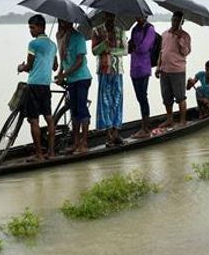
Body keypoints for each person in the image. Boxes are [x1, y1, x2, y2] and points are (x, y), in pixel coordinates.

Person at [17, 14, 58, 160]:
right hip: (46, 84)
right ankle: (51, 153)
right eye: (29, 27)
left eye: (32, 27)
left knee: (33, 120)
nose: (30, 30)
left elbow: (29, 66)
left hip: (34, 84)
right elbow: (55, 67)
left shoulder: (33, 44)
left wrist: (21, 67)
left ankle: (39, 154)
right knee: (49, 117)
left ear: (40, 27)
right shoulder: (53, 45)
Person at [55, 19, 92, 154]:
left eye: (65, 22)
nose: (63, 24)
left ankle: (84, 143)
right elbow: (63, 60)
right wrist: (60, 74)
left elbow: (79, 61)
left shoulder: (78, 37)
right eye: (61, 21)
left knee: (81, 109)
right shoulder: (61, 37)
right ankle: (76, 143)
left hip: (82, 78)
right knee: (74, 111)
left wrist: (64, 74)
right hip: (71, 79)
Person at [91, 12, 127, 146]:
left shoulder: (120, 31)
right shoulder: (97, 31)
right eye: (108, 16)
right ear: (104, 17)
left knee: (117, 100)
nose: (110, 19)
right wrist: (103, 45)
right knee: (104, 102)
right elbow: (94, 51)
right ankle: (108, 135)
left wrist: (110, 50)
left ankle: (116, 132)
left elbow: (125, 50)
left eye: (112, 16)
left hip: (117, 70)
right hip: (104, 70)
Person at [155, 11, 191, 128]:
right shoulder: (165, 34)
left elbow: (185, 52)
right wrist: (158, 67)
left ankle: (182, 121)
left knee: (180, 97)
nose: (174, 22)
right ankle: (169, 119)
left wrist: (180, 39)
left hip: (177, 70)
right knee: (166, 97)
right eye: (173, 19)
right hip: (164, 70)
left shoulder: (185, 36)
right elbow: (162, 52)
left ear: (182, 22)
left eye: (177, 20)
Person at [128, 15, 156, 138]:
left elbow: (144, 48)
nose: (138, 18)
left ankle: (145, 128)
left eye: (141, 15)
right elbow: (129, 48)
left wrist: (134, 47)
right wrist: (131, 46)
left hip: (144, 67)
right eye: (137, 15)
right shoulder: (134, 29)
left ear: (145, 16)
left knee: (143, 97)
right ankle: (144, 126)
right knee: (139, 97)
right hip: (134, 68)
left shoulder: (149, 29)